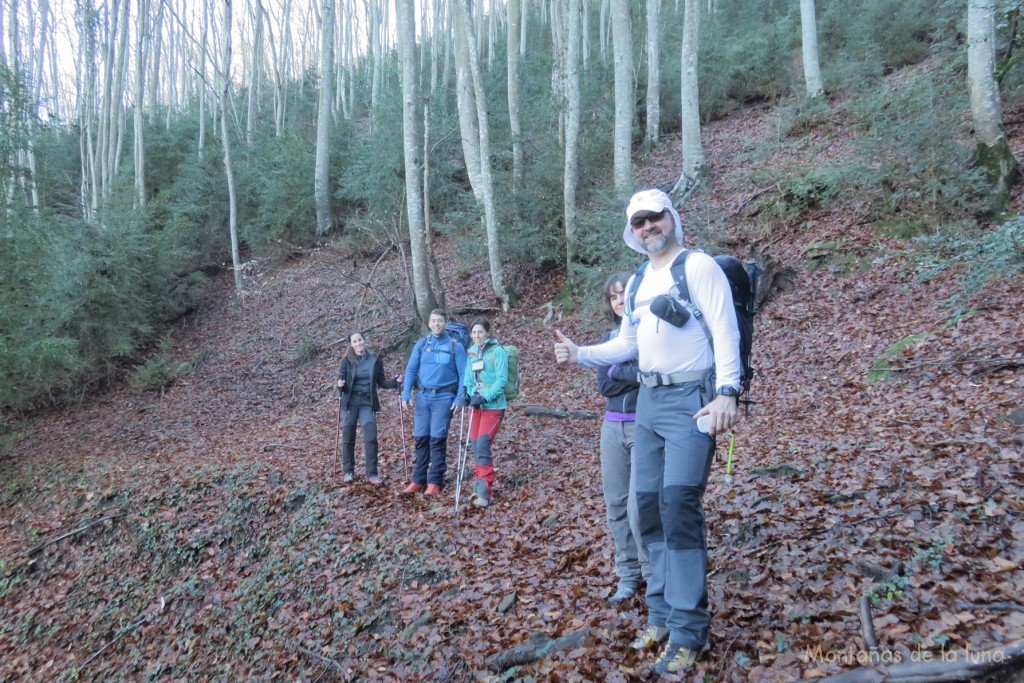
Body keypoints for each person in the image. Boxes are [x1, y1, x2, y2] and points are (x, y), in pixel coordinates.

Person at [553, 188, 741, 676]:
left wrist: (727, 392)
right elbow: (627, 344)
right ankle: (659, 613)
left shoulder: (697, 267)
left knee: (678, 507)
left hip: (691, 403)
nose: (647, 227)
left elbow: (725, 330)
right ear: (631, 231)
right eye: (638, 222)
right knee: (645, 510)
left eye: (654, 218)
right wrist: (580, 355)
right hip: (649, 404)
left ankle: (687, 629)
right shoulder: (638, 280)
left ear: (671, 218)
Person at [596, 272, 650, 604]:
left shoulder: (652, 333)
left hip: (645, 426)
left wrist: (619, 370)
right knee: (616, 505)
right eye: (613, 296)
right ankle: (628, 576)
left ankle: (651, 572)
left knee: (638, 507)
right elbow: (605, 385)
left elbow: (651, 373)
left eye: (624, 294)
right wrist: (627, 373)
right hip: (611, 428)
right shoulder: (608, 338)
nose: (618, 300)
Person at [401, 309, 467, 495]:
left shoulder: (455, 346)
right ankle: (418, 480)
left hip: (444, 398)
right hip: (423, 398)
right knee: (421, 438)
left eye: (440, 321)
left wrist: (460, 397)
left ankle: (435, 481)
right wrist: (406, 394)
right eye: (433, 321)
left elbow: (464, 374)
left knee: (437, 439)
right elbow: (411, 369)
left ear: (446, 323)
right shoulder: (422, 344)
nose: (437, 324)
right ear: (429, 324)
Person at [455, 318, 508, 509]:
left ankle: (485, 492)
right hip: (475, 407)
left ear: (487, 332)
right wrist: (468, 396)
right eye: (474, 333)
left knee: (484, 444)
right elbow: (468, 379)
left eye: (480, 332)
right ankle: (477, 489)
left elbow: (501, 380)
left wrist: (485, 396)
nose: (477, 336)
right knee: (476, 446)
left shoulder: (498, 352)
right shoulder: (471, 353)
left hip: (493, 406)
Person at [336, 330, 400, 485]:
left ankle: (372, 473)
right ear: (351, 344)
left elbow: (381, 382)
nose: (358, 344)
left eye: (360, 340)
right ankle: (348, 472)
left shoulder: (375, 359)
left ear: (364, 340)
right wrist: (340, 385)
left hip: (367, 402)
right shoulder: (347, 361)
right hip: (350, 402)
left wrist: (395, 382)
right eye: (355, 342)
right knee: (348, 437)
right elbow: (341, 383)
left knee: (370, 437)